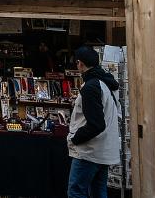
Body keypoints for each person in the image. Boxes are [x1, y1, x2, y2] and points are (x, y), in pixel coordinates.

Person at [67, 46, 121, 198]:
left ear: (80, 63)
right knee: (98, 192)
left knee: (76, 192)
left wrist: (75, 139)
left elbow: (96, 124)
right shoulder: (105, 83)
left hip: (89, 151)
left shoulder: (91, 87)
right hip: (102, 150)